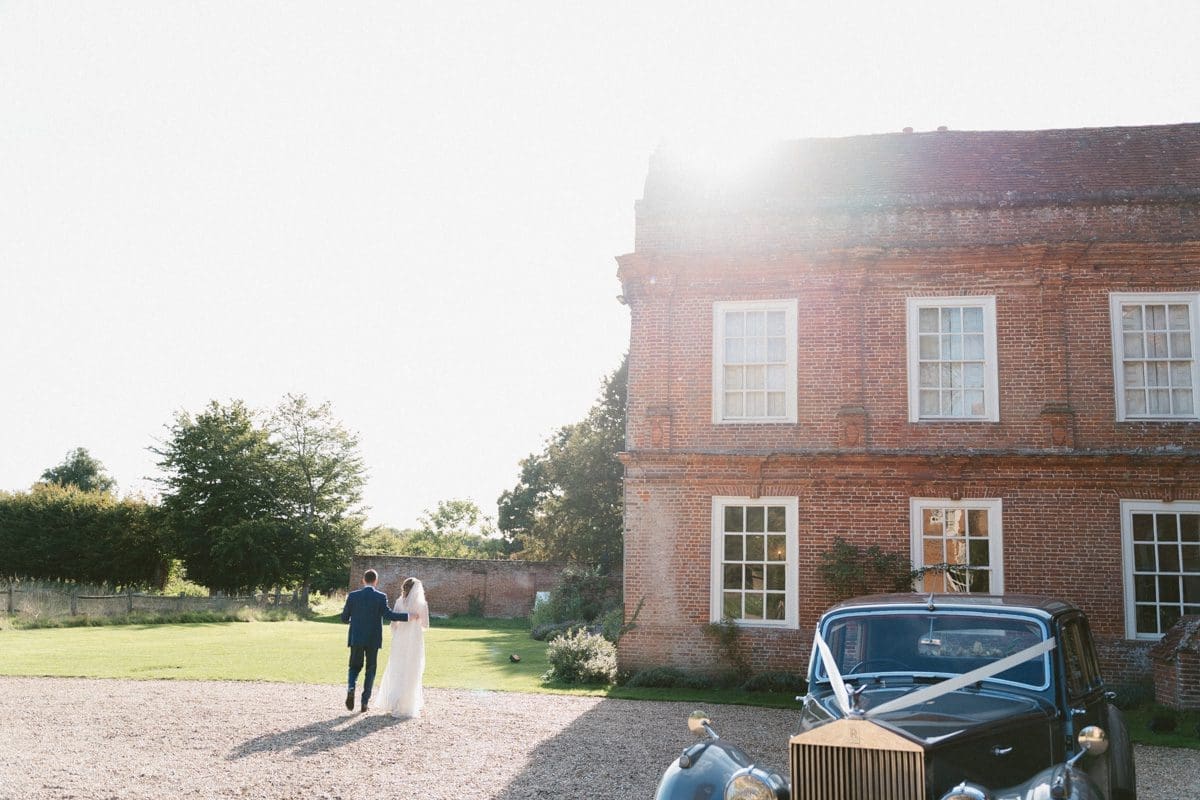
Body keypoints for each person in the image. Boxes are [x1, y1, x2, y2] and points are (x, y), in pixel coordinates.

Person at [340, 569, 414, 712]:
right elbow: (389, 615)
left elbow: (344, 618)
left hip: (356, 637)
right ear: (376, 581)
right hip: (373, 638)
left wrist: (354, 622)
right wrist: (408, 616)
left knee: (354, 667)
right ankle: (364, 702)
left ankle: (351, 687)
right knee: (370, 669)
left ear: (363, 580)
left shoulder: (353, 596)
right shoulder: (381, 597)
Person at [374, 577, 430, 718]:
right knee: (412, 669)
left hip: (400, 639)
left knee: (397, 669)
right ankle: (408, 705)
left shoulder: (399, 602)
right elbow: (425, 625)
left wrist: (399, 631)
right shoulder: (422, 604)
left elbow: (393, 624)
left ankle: (394, 703)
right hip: (414, 640)